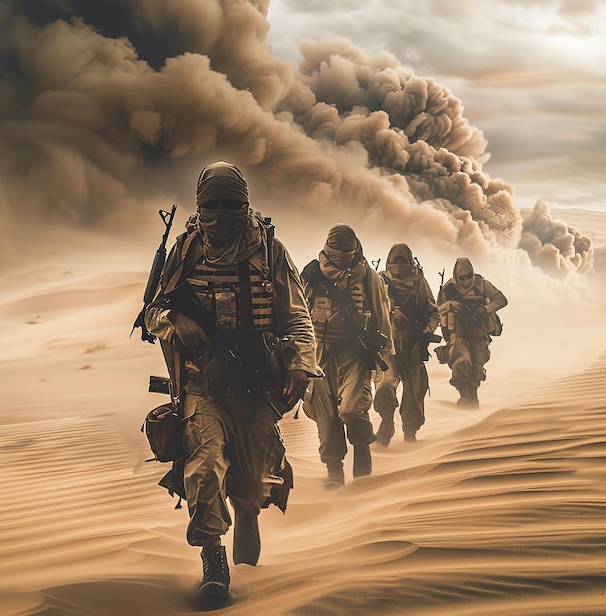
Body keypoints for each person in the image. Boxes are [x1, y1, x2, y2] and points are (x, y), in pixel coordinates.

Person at [144, 161, 321, 601]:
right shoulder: (185, 251)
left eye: (231, 207)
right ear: (200, 207)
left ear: (245, 204)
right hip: (202, 386)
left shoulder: (270, 251)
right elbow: (150, 314)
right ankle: (213, 564)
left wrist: (300, 363)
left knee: (249, 485)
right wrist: (176, 320)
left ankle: (247, 523)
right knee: (204, 471)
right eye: (213, 207)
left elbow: (297, 315)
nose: (221, 216)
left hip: (257, 385)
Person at [301, 224, 393, 489]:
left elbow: (381, 315)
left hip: (356, 352)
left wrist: (384, 355)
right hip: (318, 353)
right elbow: (298, 312)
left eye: (346, 248)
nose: (341, 253)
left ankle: (362, 463)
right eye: (336, 247)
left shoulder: (368, 278)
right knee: (326, 417)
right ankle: (334, 473)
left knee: (353, 408)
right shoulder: (311, 275)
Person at [373, 244, 440, 444]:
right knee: (385, 385)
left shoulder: (419, 282)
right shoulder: (378, 281)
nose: (399, 264)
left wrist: (425, 333)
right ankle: (386, 422)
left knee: (414, 392)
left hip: (412, 346)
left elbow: (433, 312)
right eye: (395, 259)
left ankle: (410, 431)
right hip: (386, 347)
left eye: (403, 259)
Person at [436, 257, 507, 406]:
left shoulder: (482, 285)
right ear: (456, 276)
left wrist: (485, 309)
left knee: (477, 369)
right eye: (463, 277)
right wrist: (450, 304)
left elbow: (501, 299)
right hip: (459, 333)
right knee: (460, 363)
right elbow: (436, 311)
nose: (467, 280)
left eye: (469, 276)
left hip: (479, 333)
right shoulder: (449, 289)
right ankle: (464, 397)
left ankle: (473, 398)